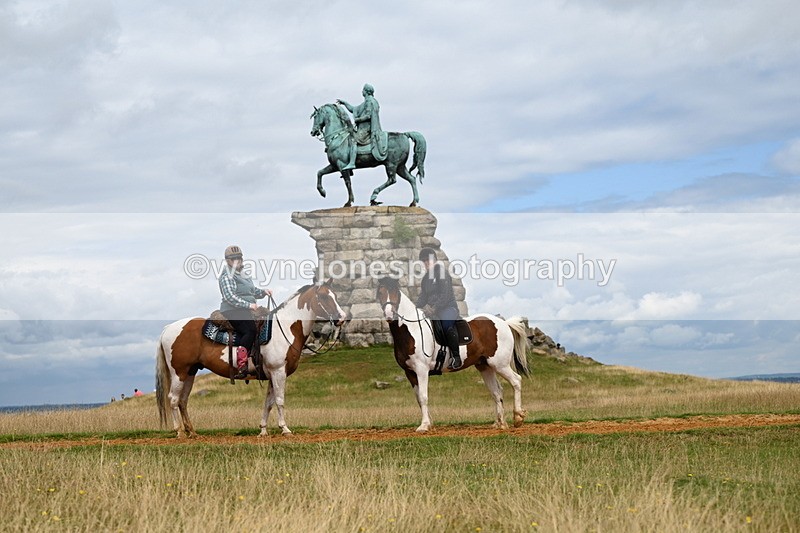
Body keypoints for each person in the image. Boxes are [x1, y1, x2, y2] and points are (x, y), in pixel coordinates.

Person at [218, 245, 272, 378]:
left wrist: (263, 292)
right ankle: (242, 365)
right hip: (233, 310)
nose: (237, 261)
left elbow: (252, 291)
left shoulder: (243, 275)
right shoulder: (226, 276)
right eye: (233, 259)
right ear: (227, 261)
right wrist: (249, 305)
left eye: (239, 258)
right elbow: (230, 297)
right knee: (250, 330)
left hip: (245, 308)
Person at [415, 248, 462, 370]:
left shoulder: (442, 273)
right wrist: (412, 309)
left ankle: (456, 358)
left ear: (434, 260)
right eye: (424, 261)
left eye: (428, 261)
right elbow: (422, 298)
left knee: (447, 326)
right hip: (433, 310)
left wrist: (433, 308)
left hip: (448, 308)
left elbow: (445, 296)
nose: (426, 263)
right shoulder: (426, 279)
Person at [336, 83, 388, 169]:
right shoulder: (369, 101)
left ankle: (352, 162)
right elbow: (353, 109)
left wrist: (358, 120)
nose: (362, 91)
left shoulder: (369, 101)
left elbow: (368, 116)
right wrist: (345, 103)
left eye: (363, 90)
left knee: (352, 139)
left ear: (366, 92)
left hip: (366, 129)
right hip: (364, 128)